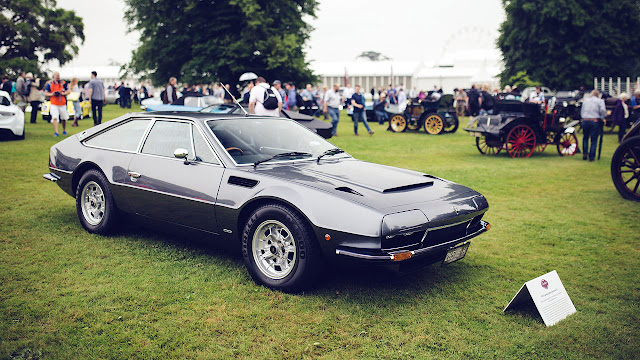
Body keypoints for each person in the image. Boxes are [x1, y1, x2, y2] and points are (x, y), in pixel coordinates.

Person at [580, 90, 606, 161]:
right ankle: (592, 156)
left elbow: (582, 111)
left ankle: (585, 153)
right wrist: (602, 117)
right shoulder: (600, 101)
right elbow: (602, 110)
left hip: (585, 120)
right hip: (594, 120)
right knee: (593, 139)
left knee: (585, 138)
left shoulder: (585, 101)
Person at [44, 72, 70, 137]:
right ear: (53, 76)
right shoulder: (50, 84)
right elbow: (46, 93)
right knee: (55, 117)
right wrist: (53, 94)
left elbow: (68, 91)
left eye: (59, 75)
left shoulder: (63, 83)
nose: (58, 77)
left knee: (64, 118)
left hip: (62, 103)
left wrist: (63, 93)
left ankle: (64, 130)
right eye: (56, 75)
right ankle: (56, 132)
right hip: (54, 103)